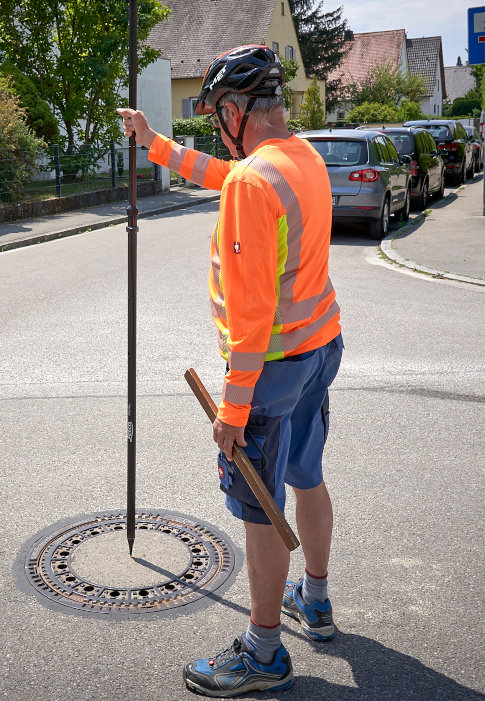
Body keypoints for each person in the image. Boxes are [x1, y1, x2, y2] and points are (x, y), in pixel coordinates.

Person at [118, 44, 342, 697]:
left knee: (259, 509)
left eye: (218, 111)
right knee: (306, 478)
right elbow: (225, 174)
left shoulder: (255, 181)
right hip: (322, 348)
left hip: (271, 370)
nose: (215, 122)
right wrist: (156, 143)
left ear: (241, 109)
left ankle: (264, 653)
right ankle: (317, 602)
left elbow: (252, 317)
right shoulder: (300, 159)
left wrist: (233, 412)